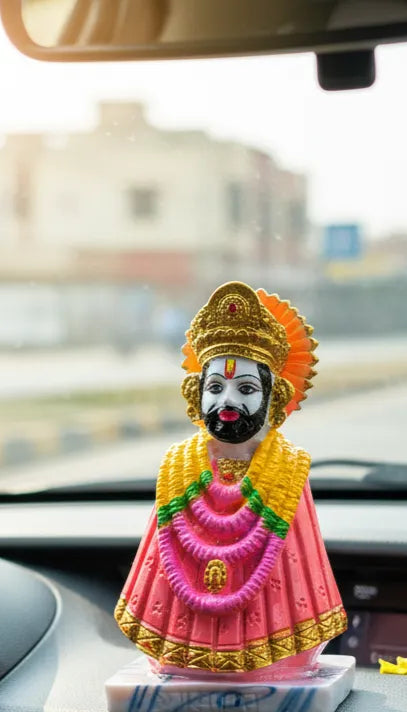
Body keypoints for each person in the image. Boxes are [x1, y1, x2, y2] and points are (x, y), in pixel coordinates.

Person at [114, 281, 346, 678]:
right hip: (174, 655)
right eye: (216, 387)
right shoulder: (177, 467)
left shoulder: (289, 471)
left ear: (275, 398)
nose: (227, 402)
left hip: (278, 661)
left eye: (247, 388)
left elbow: (297, 564)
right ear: (195, 393)